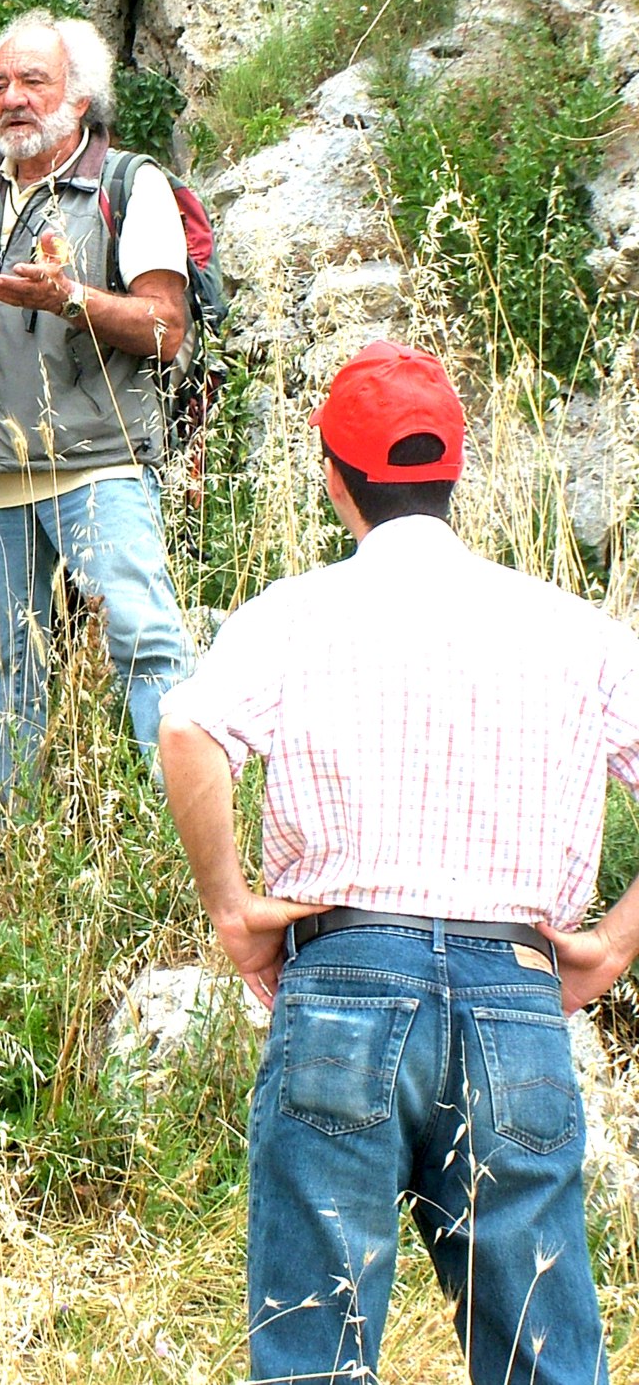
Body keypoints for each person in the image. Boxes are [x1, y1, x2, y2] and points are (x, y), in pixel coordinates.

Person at [157, 340, 639, 1385]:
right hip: (514, 995)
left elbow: (187, 733)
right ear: (453, 475)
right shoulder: (570, 629)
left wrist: (233, 909)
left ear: (334, 480)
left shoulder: (290, 613)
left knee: (312, 1357)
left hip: (339, 983)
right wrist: (608, 944)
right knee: (540, 1360)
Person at [0, 9, 193, 798]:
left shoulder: (129, 186)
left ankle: (184, 834)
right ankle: (7, 855)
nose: (12, 99)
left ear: (80, 95)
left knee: (144, 640)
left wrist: (70, 299)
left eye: (33, 81)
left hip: (99, 462)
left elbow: (166, 330)